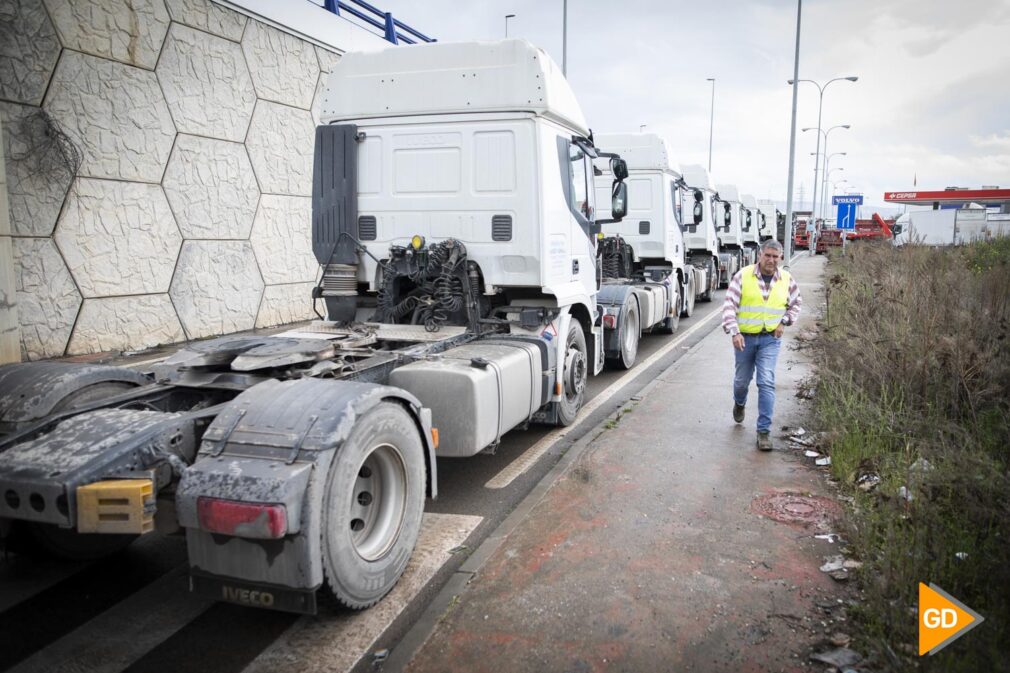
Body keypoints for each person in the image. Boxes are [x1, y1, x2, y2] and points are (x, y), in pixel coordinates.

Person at [721, 239, 802, 451]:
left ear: (781, 258)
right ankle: (740, 403)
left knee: (766, 381)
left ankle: (764, 431)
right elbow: (729, 304)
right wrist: (734, 331)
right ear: (760, 255)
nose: (771, 260)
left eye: (775, 257)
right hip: (744, 340)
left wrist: (784, 322)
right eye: (768, 255)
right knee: (741, 381)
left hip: (770, 340)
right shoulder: (743, 275)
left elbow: (796, 304)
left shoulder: (786, 279)